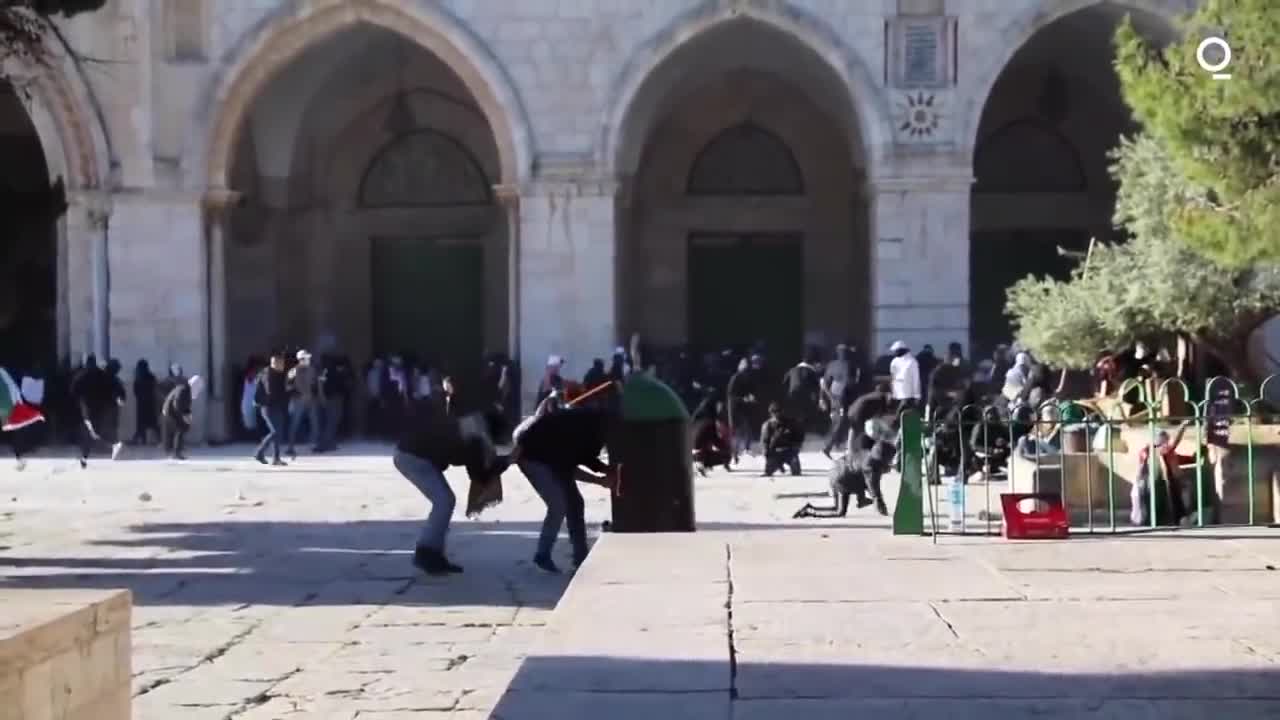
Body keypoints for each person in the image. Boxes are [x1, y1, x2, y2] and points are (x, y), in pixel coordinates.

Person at [394, 403, 506, 575]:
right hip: (412, 457)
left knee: (445, 501)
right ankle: (425, 552)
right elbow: (479, 475)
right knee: (444, 501)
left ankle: (435, 554)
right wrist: (507, 461)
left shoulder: (471, 425)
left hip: (412, 452)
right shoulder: (475, 439)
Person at [511, 406, 615, 573]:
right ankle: (543, 555)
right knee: (559, 505)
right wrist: (599, 480)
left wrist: (605, 469)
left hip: (543, 448)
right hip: (530, 455)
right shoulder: (580, 432)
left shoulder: (591, 427)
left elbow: (584, 456)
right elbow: (567, 468)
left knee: (574, 503)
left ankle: (580, 557)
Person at [1, 366, 46, 471]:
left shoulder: (3, 374)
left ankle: (20, 457)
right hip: (11, 403)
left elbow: (10, 389)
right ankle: (20, 456)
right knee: (16, 430)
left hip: (10, 404)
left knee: (16, 430)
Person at [253, 353, 290, 466]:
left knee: (277, 433)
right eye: (282, 363)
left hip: (276, 406)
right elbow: (271, 391)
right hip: (268, 407)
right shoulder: (269, 374)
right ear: (275, 363)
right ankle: (259, 452)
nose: (283, 365)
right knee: (276, 432)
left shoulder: (276, 373)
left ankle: (276, 458)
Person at [160, 375, 203, 460]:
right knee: (181, 428)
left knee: (182, 428)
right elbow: (178, 403)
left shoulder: (186, 388)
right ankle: (176, 452)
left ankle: (175, 450)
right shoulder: (184, 389)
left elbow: (185, 404)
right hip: (172, 412)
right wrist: (185, 415)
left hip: (171, 411)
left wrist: (187, 414)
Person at [287, 349, 319, 457]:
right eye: (306, 358)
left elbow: (315, 383)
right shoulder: (293, 371)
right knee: (294, 424)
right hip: (298, 400)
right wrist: (297, 392)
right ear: (301, 359)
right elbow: (287, 386)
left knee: (314, 422)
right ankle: (290, 447)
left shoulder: (312, 370)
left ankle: (314, 444)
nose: (308, 360)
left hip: (310, 399)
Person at [760, 402, 803, 478]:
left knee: (796, 471)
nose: (776, 414)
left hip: (789, 451)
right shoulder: (767, 425)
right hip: (775, 452)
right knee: (768, 472)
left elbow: (799, 436)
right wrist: (766, 453)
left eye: (778, 411)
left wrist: (796, 447)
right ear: (771, 414)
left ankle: (785, 464)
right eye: (774, 412)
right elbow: (764, 441)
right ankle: (778, 465)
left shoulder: (790, 423)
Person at [131, 359, 159, 445]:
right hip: (150, 402)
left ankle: (142, 439)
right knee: (152, 422)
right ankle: (160, 438)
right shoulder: (151, 377)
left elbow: (135, 390)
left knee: (141, 422)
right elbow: (155, 388)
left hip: (141, 402)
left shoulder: (138, 377)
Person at [888, 341, 921, 409]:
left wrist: (917, 395)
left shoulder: (912, 362)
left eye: (896, 351)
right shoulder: (894, 361)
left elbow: (916, 379)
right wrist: (891, 392)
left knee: (903, 413)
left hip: (908, 394)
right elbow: (892, 377)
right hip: (896, 394)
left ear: (901, 350)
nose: (894, 353)